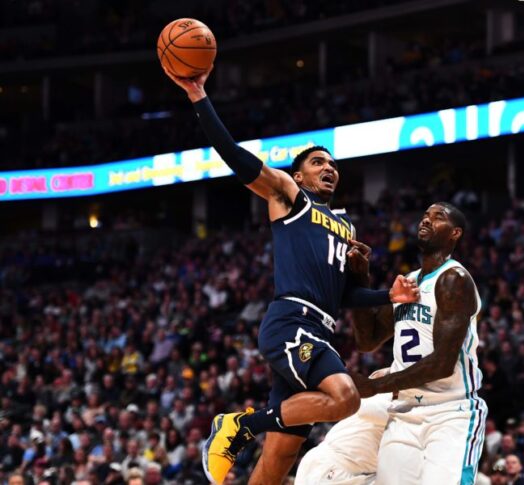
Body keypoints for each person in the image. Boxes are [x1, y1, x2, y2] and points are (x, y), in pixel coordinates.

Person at [162, 66, 419, 484]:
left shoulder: (347, 227)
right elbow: (235, 156)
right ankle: (239, 425)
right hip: (292, 324)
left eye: (333, 164)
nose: (329, 168)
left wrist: (389, 296)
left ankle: (253, 429)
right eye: (318, 162)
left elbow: (346, 296)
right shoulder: (289, 196)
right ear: (298, 175)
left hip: (321, 326)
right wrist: (198, 96)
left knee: (278, 462)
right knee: (345, 398)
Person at [348, 203, 487, 484]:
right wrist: (360, 279)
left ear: (455, 233)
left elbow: (442, 364)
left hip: (450, 412)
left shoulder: (453, 279)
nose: (426, 220)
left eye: (438, 218)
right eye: (424, 215)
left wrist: (374, 386)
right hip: (405, 411)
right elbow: (367, 341)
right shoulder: (409, 281)